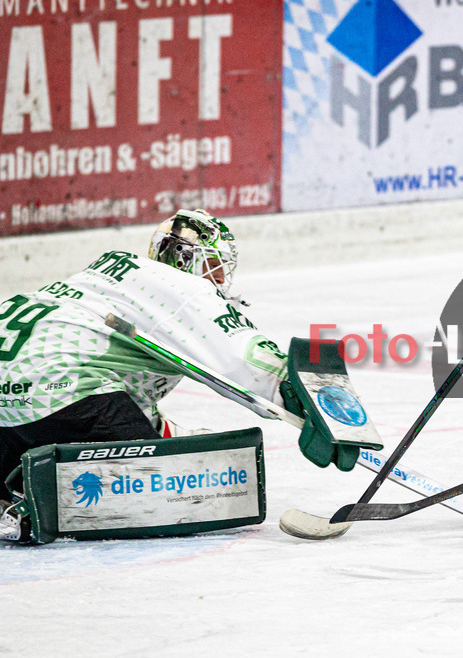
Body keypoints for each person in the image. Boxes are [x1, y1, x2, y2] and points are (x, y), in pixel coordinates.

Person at [0, 209, 288, 542]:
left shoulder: (107, 278)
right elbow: (245, 357)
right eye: (216, 266)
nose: (221, 280)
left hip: (16, 398)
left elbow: (122, 385)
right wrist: (301, 392)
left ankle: (14, 484)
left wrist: (164, 431)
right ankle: (33, 511)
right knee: (164, 486)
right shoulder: (183, 292)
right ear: (185, 259)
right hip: (55, 389)